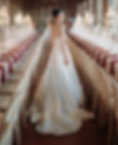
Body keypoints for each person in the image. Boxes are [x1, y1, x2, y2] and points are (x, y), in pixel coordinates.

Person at [30, 8, 93, 136]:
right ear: (58, 17)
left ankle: (55, 103)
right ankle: (63, 105)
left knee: (54, 77)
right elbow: (63, 43)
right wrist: (65, 57)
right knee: (64, 76)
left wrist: (52, 54)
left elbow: (51, 43)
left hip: (54, 53)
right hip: (60, 53)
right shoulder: (60, 26)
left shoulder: (51, 26)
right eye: (62, 15)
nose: (63, 17)